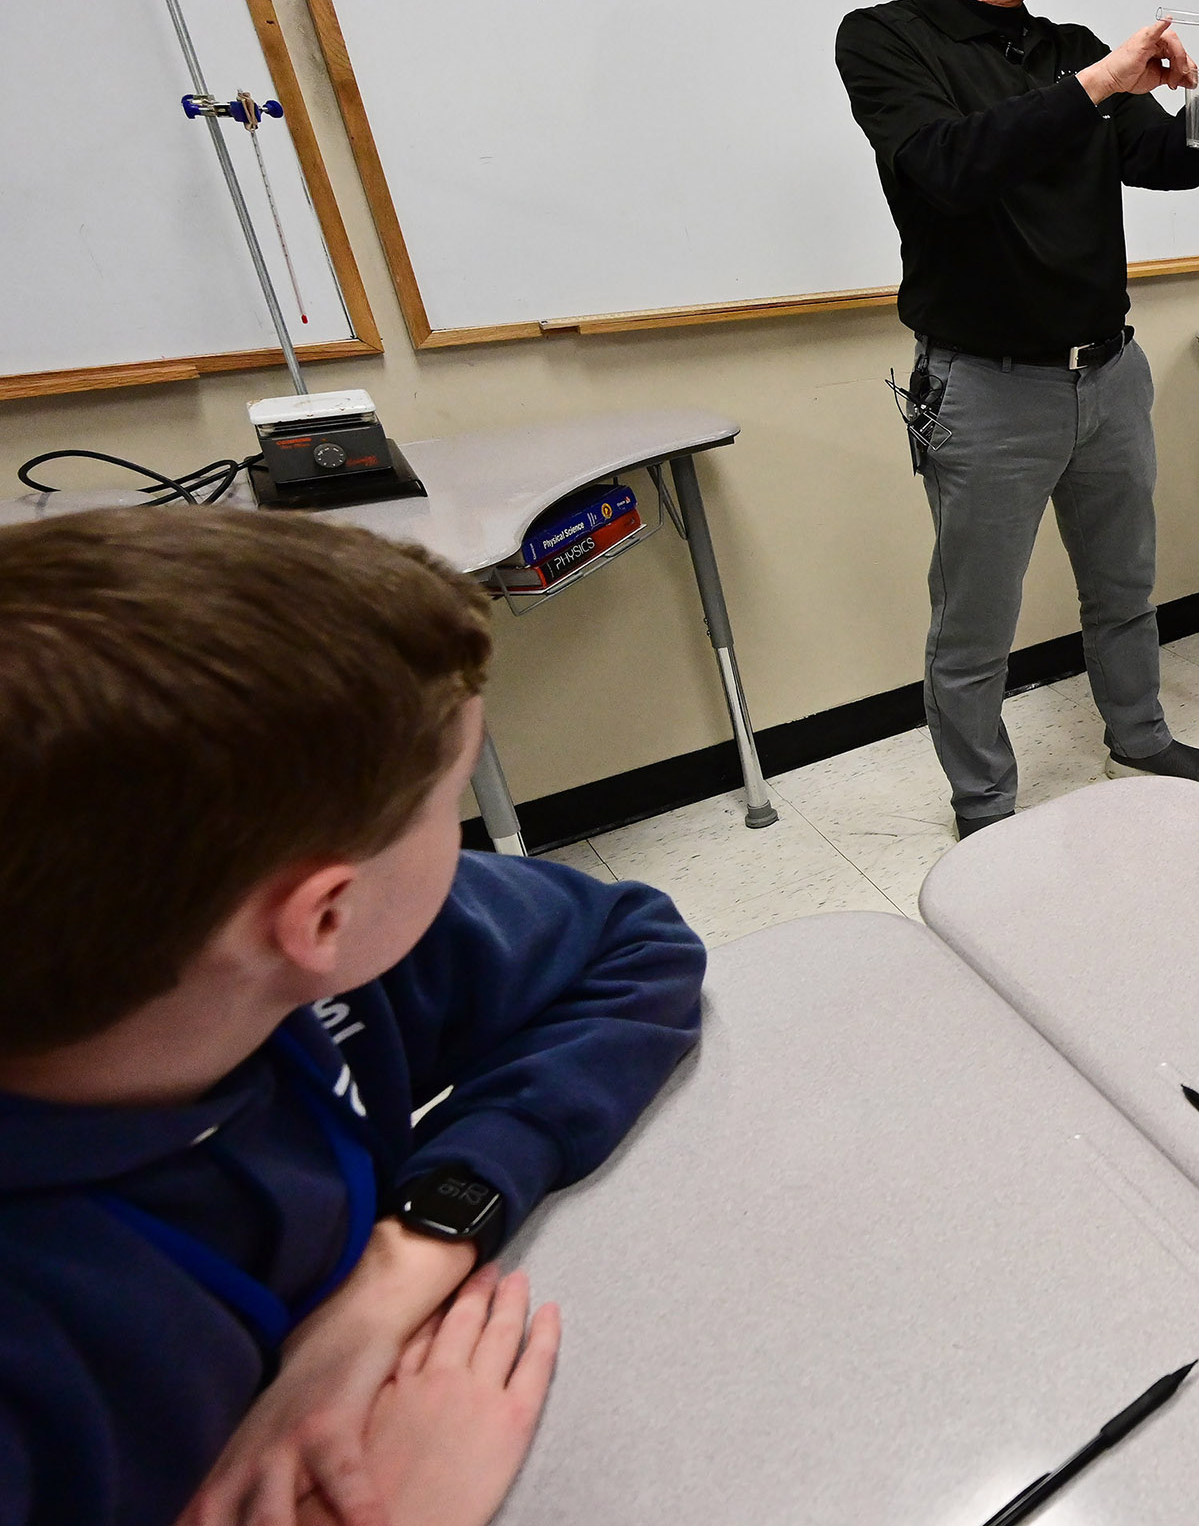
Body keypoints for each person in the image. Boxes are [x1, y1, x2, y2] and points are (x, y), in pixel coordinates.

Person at [0, 507, 705, 1526]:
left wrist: (393, 1274)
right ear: (321, 914)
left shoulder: (259, 967)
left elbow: (632, 945)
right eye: (449, 802)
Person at [835, 0, 1199, 836]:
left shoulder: (1069, 48)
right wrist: (1101, 84)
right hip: (984, 391)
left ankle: (1138, 733)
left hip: (1109, 376)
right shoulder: (885, 40)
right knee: (973, 624)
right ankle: (985, 803)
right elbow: (945, 170)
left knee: (1124, 582)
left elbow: (1169, 162)